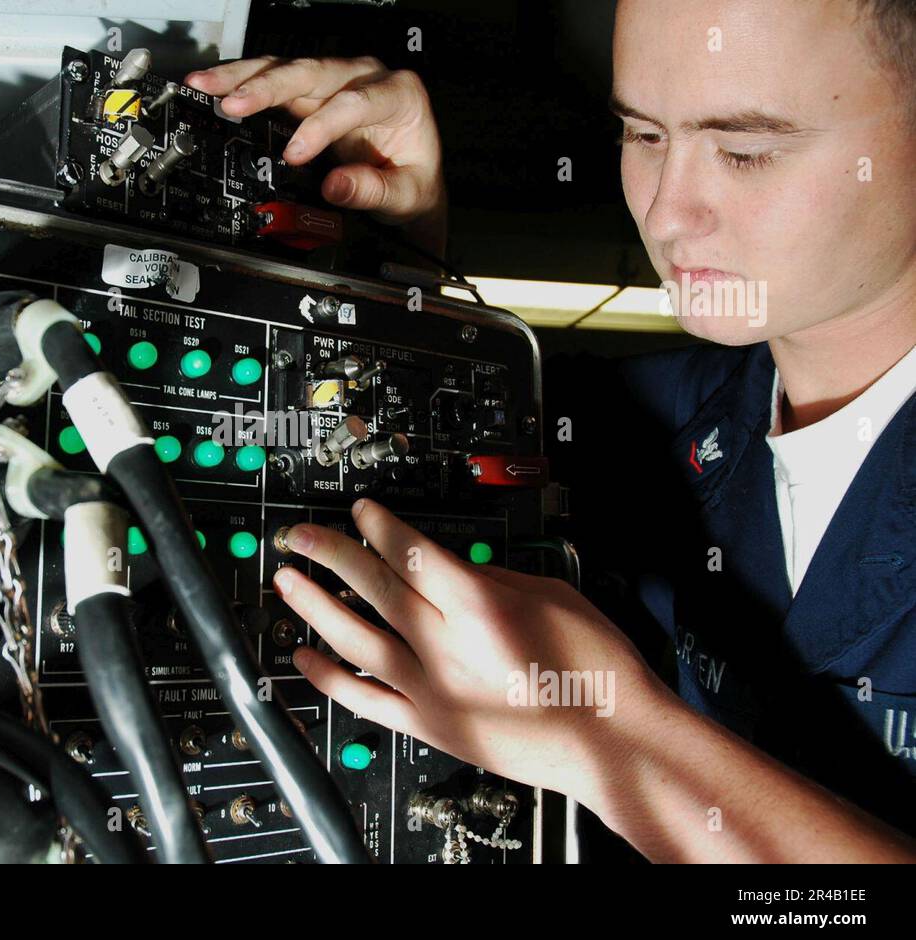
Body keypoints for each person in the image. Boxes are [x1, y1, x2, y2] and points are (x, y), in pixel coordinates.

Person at [185, 0, 916, 862]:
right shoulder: (644, 423)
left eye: (746, 150)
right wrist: (393, 264)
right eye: (644, 136)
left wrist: (608, 738)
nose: (668, 213)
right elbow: (393, 458)